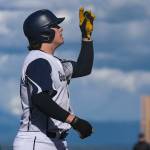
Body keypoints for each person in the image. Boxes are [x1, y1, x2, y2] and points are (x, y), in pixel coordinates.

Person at [13, 8, 95, 150]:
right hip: (37, 141)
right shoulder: (38, 62)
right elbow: (40, 99)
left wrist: (86, 36)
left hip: (53, 141)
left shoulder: (53, 62)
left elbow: (83, 68)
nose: (60, 28)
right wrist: (74, 121)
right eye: (56, 26)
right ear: (46, 33)